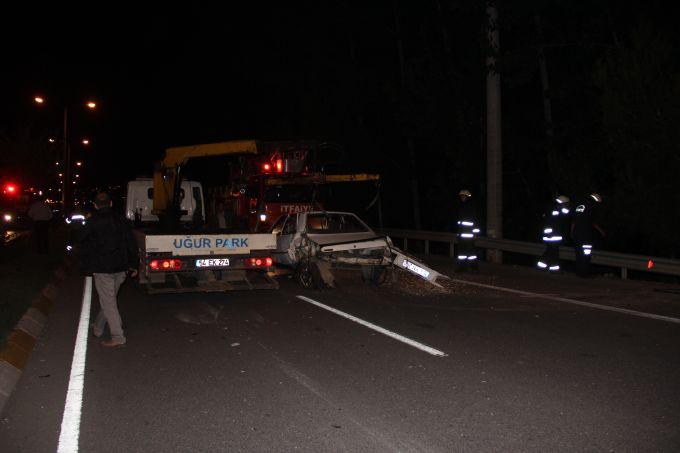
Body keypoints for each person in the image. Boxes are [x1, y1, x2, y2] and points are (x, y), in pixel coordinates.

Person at [79, 192, 138, 347]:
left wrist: (85, 265)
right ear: (111, 203)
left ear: (95, 205)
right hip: (121, 267)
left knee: (109, 302)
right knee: (109, 301)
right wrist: (134, 265)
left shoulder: (91, 222)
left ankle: (118, 337)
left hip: (102, 267)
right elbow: (132, 244)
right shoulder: (122, 221)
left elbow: (82, 243)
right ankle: (98, 328)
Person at [571, 193, 605, 277]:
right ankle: (584, 273)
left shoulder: (580, 206)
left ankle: (578, 272)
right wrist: (602, 232)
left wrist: (571, 233)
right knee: (586, 255)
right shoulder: (591, 207)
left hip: (577, 234)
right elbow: (593, 223)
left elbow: (574, 221)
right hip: (586, 235)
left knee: (578, 254)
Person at [536, 195, 570, 272]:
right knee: (554, 252)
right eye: (566, 203)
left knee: (550, 251)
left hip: (553, 236)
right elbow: (551, 223)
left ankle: (542, 266)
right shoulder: (554, 211)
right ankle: (553, 269)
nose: (567, 205)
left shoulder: (555, 209)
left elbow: (566, 214)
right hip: (552, 236)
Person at [455, 189, 480, 271]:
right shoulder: (461, 207)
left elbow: (475, 221)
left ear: (467, 197)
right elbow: (459, 223)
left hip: (469, 235)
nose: (462, 198)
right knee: (461, 253)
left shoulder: (471, 208)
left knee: (471, 253)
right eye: (461, 196)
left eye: (463, 196)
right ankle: (462, 267)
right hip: (462, 235)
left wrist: (475, 234)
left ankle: (474, 267)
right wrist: (458, 234)